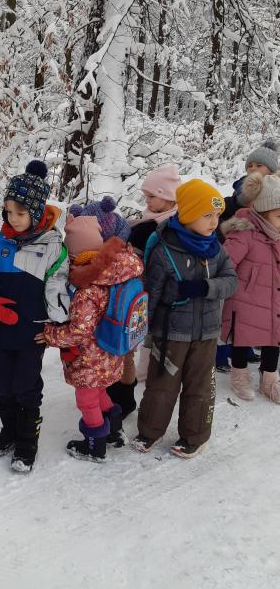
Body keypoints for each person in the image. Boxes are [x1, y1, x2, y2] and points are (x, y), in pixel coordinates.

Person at [0, 160, 70, 473]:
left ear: (37, 212)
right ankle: (9, 432)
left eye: (20, 212)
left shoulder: (53, 247)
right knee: (2, 383)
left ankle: (27, 442)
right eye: (8, 211)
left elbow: (58, 289)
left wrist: (56, 326)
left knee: (26, 386)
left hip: (32, 331)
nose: (12, 218)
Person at [134, 179, 237, 458]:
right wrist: (144, 329)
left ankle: (194, 436)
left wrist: (206, 287)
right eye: (207, 215)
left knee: (200, 387)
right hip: (171, 333)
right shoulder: (164, 248)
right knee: (161, 385)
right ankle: (149, 431)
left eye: (217, 215)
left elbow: (231, 281)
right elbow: (151, 292)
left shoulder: (216, 248)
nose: (214, 222)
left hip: (206, 334)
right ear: (189, 213)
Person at [40, 199, 142, 462]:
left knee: (87, 400)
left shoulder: (87, 290)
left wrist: (50, 334)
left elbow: (79, 331)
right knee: (100, 392)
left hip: (90, 358)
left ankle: (95, 445)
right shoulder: (116, 274)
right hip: (111, 351)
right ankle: (114, 431)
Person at [108, 164, 181, 418]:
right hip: (138, 293)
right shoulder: (149, 222)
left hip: (141, 293)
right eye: (146, 195)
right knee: (131, 345)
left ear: (169, 197)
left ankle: (126, 397)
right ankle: (130, 385)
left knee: (128, 347)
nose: (146, 201)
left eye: (152, 196)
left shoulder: (160, 227)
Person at [221, 172, 280, 403]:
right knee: (242, 337)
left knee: (274, 336)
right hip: (246, 298)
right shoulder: (244, 232)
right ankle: (239, 374)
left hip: (274, 297)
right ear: (263, 212)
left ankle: (270, 377)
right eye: (279, 215)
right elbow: (226, 262)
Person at [220, 140, 278, 224]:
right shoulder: (242, 184)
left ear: (271, 170)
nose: (253, 168)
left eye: (259, 165)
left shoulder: (276, 187)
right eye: (250, 166)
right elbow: (233, 203)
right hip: (240, 221)